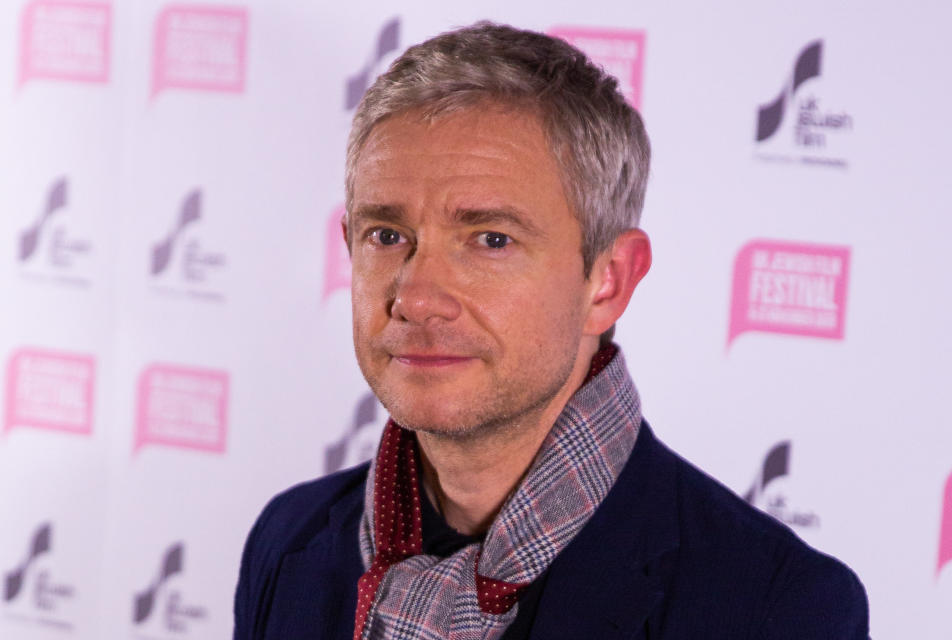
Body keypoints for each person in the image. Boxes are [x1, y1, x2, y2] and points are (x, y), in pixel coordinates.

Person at [234, 22, 869, 640]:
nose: (418, 297)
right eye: (388, 236)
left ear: (609, 282)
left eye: (491, 240)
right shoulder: (288, 536)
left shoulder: (776, 607)